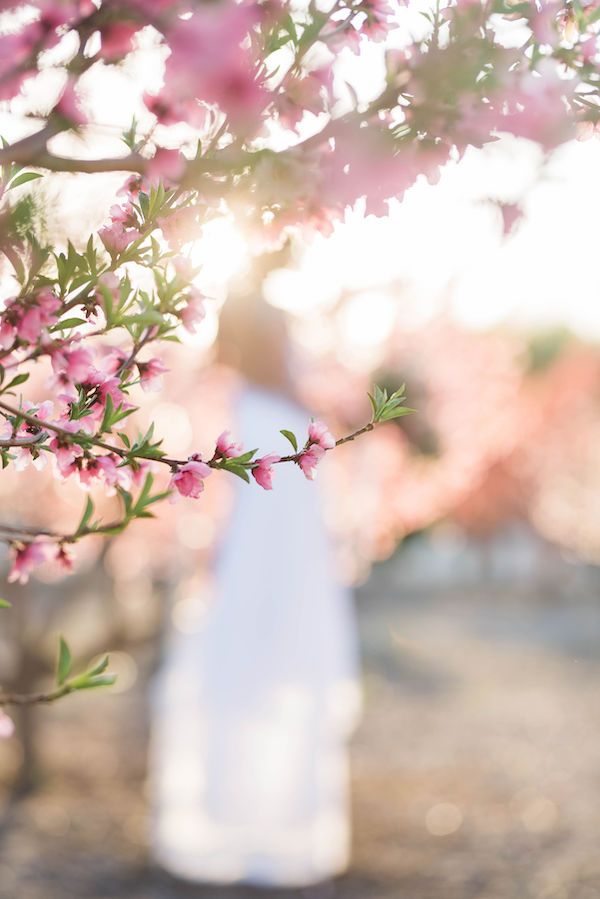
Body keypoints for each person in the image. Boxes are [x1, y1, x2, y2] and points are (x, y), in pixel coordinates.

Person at [149, 288, 361, 889]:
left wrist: (205, 557)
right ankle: (276, 830)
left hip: (252, 566)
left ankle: (232, 827)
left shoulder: (241, 405)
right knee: (276, 681)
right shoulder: (297, 415)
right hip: (292, 573)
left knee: (235, 683)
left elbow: (208, 494)